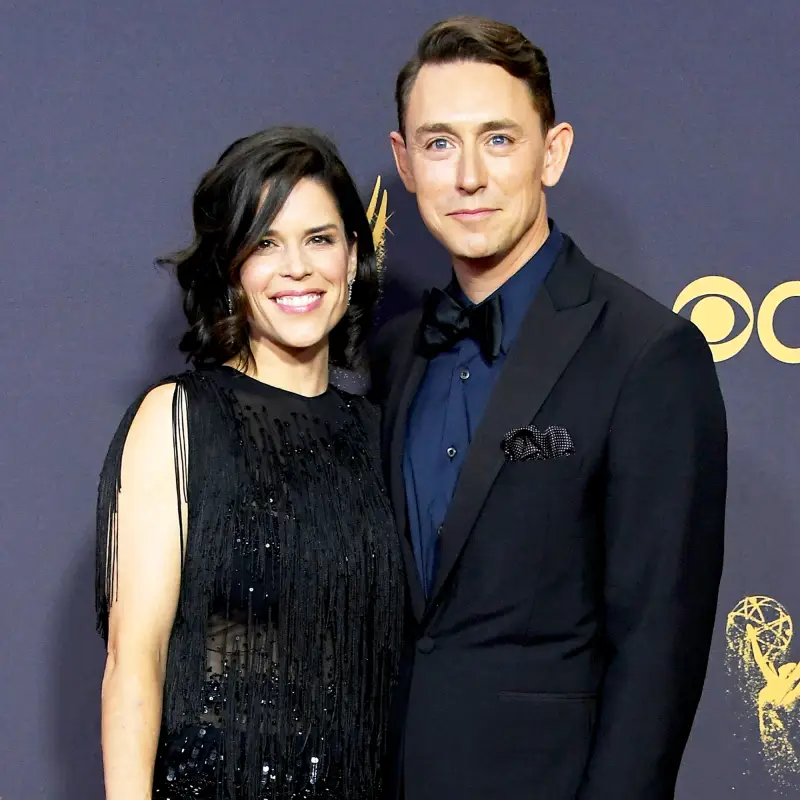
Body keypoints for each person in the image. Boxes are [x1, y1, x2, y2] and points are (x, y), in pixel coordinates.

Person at [370, 15, 728, 800]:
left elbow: (657, 654)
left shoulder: (646, 353)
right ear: (403, 163)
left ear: (552, 151)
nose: (468, 176)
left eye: (498, 139)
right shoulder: (391, 356)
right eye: (438, 143)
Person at [95, 126, 404, 800]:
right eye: (265, 242)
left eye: (319, 239)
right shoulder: (179, 420)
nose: (297, 267)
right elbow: (133, 660)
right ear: (232, 266)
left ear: (353, 257)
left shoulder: (385, 439)